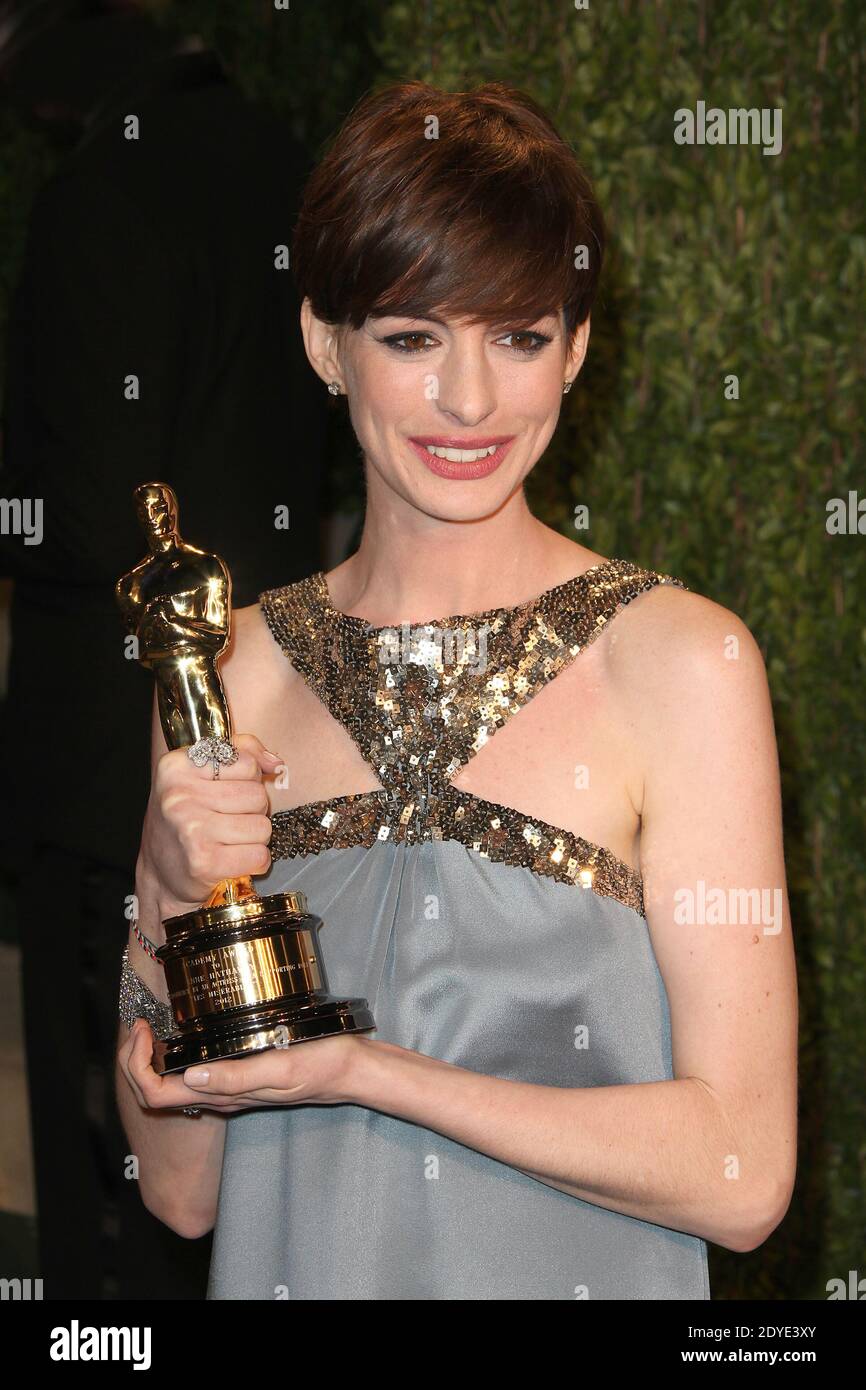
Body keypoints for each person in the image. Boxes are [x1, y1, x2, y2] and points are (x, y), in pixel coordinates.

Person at [115, 80, 798, 1300]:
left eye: (519, 336)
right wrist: (167, 893)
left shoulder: (682, 664)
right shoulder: (236, 669)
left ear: (577, 347)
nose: (469, 401)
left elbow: (742, 1174)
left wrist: (365, 1070)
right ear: (325, 342)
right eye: (413, 337)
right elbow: (179, 1190)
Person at [0, 0, 326, 1298]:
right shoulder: (281, 158)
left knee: (113, 1168)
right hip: (279, 732)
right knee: (237, 1136)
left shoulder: (102, 193)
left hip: (108, 758)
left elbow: (89, 509)